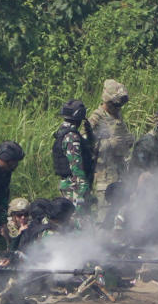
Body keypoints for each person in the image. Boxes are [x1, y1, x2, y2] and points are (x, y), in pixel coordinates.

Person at [88, 80, 134, 210]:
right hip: (104, 176)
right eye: (115, 105)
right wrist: (109, 143)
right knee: (105, 213)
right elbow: (86, 146)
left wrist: (128, 140)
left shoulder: (117, 116)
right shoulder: (96, 118)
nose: (118, 108)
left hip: (120, 173)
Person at [53, 100, 95, 212]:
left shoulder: (63, 132)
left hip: (69, 185)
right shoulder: (72, 136)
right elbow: (76, 166)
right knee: (79, 219)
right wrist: (83, 190)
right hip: (74, 187)